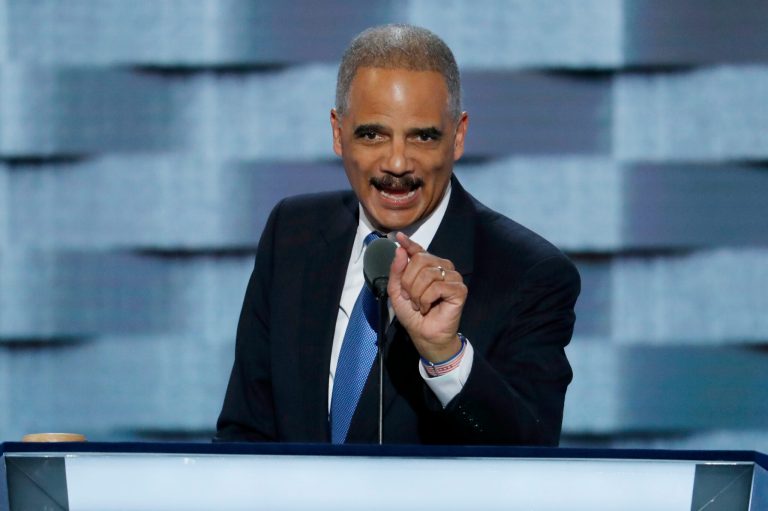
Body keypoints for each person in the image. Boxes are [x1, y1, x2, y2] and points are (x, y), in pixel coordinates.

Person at [216, 24, 580, 445]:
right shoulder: (292, 234)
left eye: (423, 137)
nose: (397, 163)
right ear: (338, 132)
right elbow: (244, 434)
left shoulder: (529, 274)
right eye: (372, 134)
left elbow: (529, 457)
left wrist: (447, 356)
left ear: (458, 137)